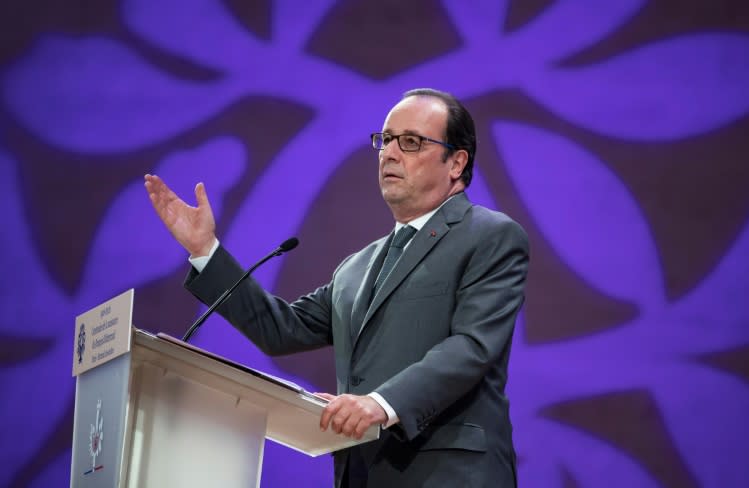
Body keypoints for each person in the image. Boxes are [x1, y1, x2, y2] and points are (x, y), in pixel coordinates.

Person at [145, 88, 529, 488]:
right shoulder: (356, 267)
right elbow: (281, 329)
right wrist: (205, 250)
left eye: (411, 142)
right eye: (385, 140)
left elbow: (472, 346)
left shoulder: (490, 236)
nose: (390, 154)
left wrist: (380, 404)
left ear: (457, 162)